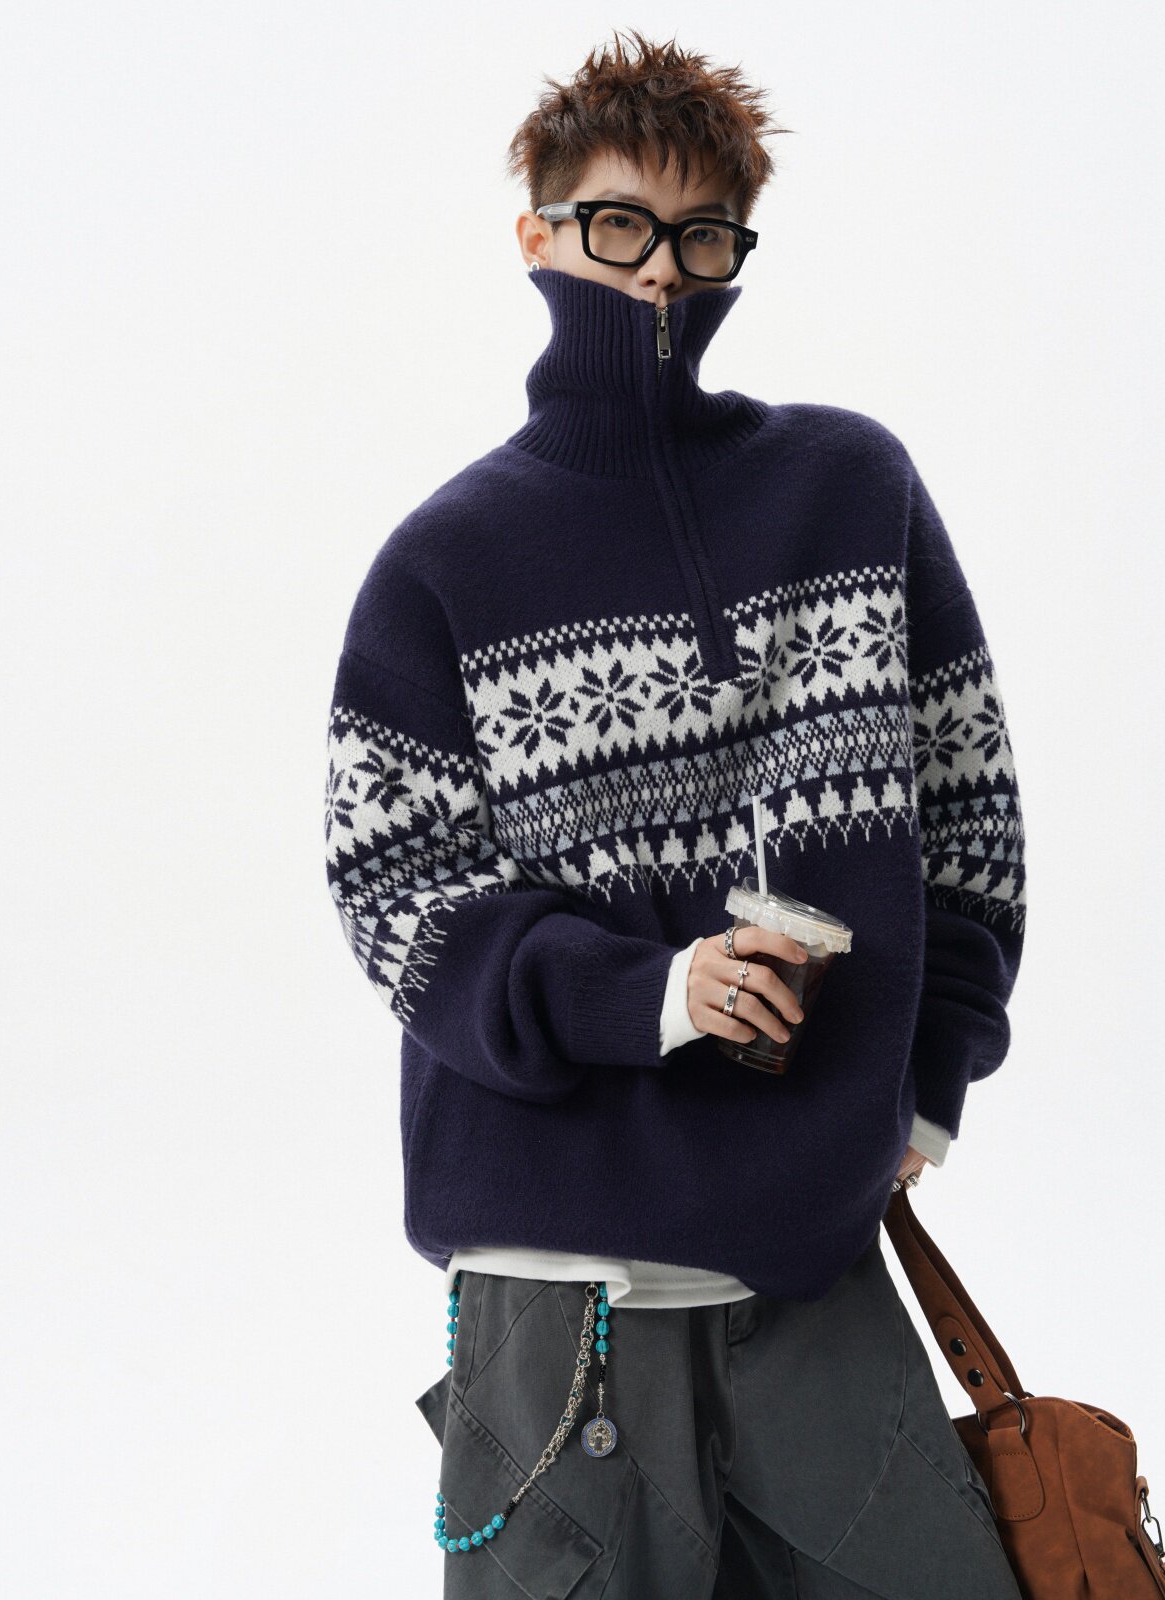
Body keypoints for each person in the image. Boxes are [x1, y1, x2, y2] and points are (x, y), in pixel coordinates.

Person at [323, 27, 1027, 1598]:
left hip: (815, 1257)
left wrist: (926, 1088)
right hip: (555, 1294)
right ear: (538, 235)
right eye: (619, 225)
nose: (658, 271)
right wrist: (653, 993)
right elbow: (399, 901)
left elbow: (971, 819)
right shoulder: (446, 561)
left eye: (704, 235)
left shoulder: (850, 490)